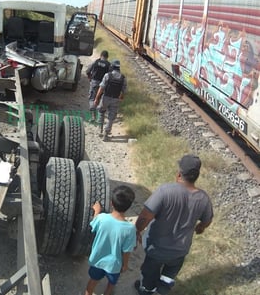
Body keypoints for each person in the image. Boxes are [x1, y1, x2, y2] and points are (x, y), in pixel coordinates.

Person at [135, 154, 213, 295]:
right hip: (179, 251)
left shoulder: (165, 191)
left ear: (179, 174)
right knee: (168, 276)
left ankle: (146, 289)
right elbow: (207, 220)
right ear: (196, 176)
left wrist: (136, 231)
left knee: (149, 272)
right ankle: (161, 291)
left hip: (156, 248)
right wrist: (200, 228)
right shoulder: (203, 198)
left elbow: (145, 216)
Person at [84, 185, 136, 295]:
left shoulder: (101, 218)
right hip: (114, 265)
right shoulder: (130, 229)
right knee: (111, 284)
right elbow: (127, 250)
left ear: (112, 203)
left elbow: (94, 224)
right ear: (129, 206)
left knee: (92, 281)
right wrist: (125, 264)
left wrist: (97, 211)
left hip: (97, 260)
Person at [94, 59, 127, 141]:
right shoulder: (123, 78)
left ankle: (100, 129)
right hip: (115, 99)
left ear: (112, 66)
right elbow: (124, 91)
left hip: (105, 97)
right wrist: (121, 97)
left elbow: (101, 88)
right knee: (111, 117)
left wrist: (97, 98)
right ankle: (106, 134)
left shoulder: (107, 75)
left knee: (101, 112)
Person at [86, 50, 110, 122]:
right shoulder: (108, 64)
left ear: (100, 55)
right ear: (107, 57)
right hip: (103, 85)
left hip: (94, 82)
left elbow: (88, 71)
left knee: (92, 98)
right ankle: (100, 117)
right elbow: (110, 76)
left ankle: (93, 116)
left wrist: (90, 78)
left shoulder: (96, 62)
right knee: (100, 99)